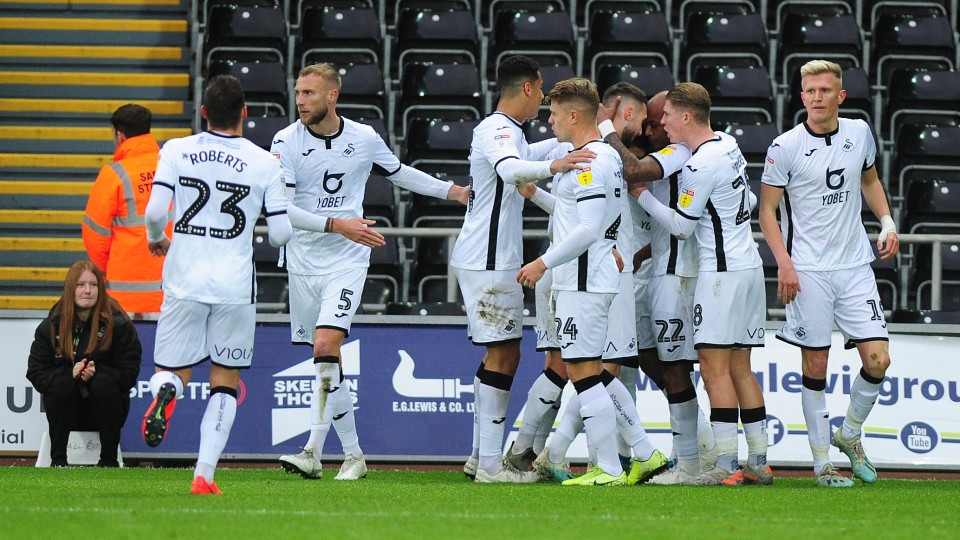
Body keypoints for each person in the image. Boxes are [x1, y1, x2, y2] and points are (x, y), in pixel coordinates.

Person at [272, 63, 469, 481]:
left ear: (332, 96)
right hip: (304, 261)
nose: (300, 101)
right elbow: (283, 210)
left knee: (326, 344)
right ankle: (355, 456)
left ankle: (311, 451)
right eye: (298, 93)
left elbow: (400, 173)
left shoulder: (363, 138)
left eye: (309, 93)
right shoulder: (285, 140)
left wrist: (450, 191)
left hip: (347, 258)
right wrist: (336, 223)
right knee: (326, 361)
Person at [141, 75, 293, 495]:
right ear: (245, 113)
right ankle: (203, 475)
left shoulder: (176, 149)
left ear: (203, 112)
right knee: (225, 380)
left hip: (184, 280)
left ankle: (167, 390)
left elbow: (155, 213)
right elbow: (280, 235)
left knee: (170, 370)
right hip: (235, 287)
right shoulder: (266, 163)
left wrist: (158, 238)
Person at [450, 56, 593, 483]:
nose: (545, 97)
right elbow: (511, 169)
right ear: (528, 87)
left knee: (500, 351)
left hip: (490, 258)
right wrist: (556, 166)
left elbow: (526, 155)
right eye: (543, 88)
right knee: (504, 353)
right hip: (488, 259)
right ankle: (492, 466)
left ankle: (480, 455)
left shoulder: (508, 132)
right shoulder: (496, 129)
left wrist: (575, 142)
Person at [759, 60, 899, 488]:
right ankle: (822, 465)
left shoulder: (859, 133)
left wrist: (887, 221)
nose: (816, 97)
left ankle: (850, 435)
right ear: (801, 97)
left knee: (879, 359)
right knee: (815, 364)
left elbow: (870, 181)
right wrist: (784, 262)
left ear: (840, 96)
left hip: (855, 265)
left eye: (824, 90)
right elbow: (766, 211)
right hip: (809, 271)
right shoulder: (784, 147)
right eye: (810, 91)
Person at [519, 83, 667, 485]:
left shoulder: (589, 162)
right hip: (588, 276)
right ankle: (627, 458)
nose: (548, 121)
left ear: (573, 116)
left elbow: (586, 229)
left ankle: (609, 465)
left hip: (583, 279)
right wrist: (536, 195)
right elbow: (590, 218)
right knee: (588, 372)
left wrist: (540, 263)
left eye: (554, 114)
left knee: (587, 374)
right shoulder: (597, 157)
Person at [634, 82, 771, 486]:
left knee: (714, 371)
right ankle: (759, 462)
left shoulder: (698, 165)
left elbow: (680, 226)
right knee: (742, 369)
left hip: (720, 275)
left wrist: (642, 194)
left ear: (687, 116)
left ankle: (725, 465)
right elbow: (747, 201)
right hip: (749, 269)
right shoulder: (728, 144)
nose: (662, 124)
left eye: (667, 117)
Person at [599, 90, 717, 484]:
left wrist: (603, 127)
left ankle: (693, 462)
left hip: (679, 277)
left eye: (658, 120)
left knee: (675, 370)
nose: (653, 129)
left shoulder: (681, 153)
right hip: (657, 274)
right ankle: (700, 450)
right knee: (656, 365)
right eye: (649, 122)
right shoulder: (689, 154)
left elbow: (634, 174)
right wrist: (648, 249)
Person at [26, 260, 142, 467]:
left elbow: (129, 374)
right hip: (66, 410)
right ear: (71, 288)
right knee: (62, 384)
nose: (87, 291)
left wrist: (99, 372)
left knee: (102, 383)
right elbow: (36, 373)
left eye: (93, 285)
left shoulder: (119, 326)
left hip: (106, 409)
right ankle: (58, 461)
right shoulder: (51, 326)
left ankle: (108, 461)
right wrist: (69, 374)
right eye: (81, 285)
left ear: (100, 288)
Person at [82, 104, 171, 314]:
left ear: (120, 136)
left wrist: (107, 269)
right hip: (172, 288)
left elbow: (95, 235)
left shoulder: (114, 175)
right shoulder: (172, 166)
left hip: (125, 294)